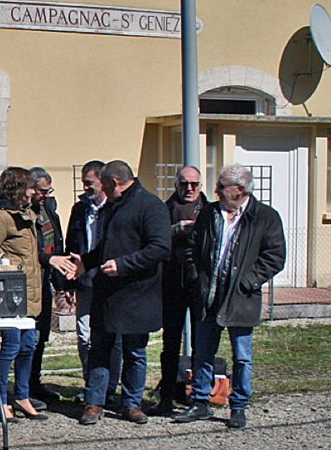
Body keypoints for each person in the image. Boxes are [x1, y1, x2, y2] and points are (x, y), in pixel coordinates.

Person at [172, 164, 285, 429]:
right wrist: (194, 276)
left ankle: (238, 405)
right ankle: (200, 401)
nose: (216, 191)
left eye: (222, 187)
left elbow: (275, 256)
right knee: (202, 351)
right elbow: (192, 245)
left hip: (241, 297)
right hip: (207, 293)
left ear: (240, 190)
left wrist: (249, 281)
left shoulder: (265, 217)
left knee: (242, 355)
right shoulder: (210, 213)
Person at [72, 160, 171, 426]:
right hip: (107, 292)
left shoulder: (151, 206)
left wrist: (123, 265)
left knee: (135, 351)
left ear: (115, 182)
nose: (100, 189)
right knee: (100, 349)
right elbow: (107, 246)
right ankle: (95, 402)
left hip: (137, 293)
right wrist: (86, 261)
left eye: (103, 184)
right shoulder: (113, 207)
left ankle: (131, 403)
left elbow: (160, 248)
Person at [0, 167, 70, 421]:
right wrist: (10, 268)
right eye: (30, 187)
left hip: (32, 292)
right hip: (10, 295)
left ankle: (22, 395)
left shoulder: (29, 215)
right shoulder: (1, 218)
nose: (33, 192)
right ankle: (2, 399)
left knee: (29, 346)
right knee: (11, 347)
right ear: (18, 189)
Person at [150, 166, 209, 415]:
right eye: (184, 184)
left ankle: (199, 397)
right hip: (171, 282)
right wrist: (176, 230)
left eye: (194, 184)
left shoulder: (210, 210)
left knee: (201, 342)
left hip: (199, 283)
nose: (189, 189)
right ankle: (166, 396)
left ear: (201, 185)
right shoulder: (164, 210)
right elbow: (155, 239)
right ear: (176, 185)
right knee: (170, 343)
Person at [64, 160, 123, 404]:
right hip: (84, 282)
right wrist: (68, 283)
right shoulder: (80, 209)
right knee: (85, 336)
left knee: (113, 337)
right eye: (84, 184)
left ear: (103, 182)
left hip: (108, 280)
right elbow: (71, 244)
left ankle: (109, 389)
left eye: (89, 183)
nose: (85, 188)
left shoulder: (115, 208)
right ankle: (92, 387)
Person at [27, 167, 66, 407]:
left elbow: (57, 244)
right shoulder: (23, 212)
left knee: (41, 337)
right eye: (43, 190)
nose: (45, 194)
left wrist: (62, 284)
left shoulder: (49, 210)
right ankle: (23, 389)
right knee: (28, 338)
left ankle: (34, 383)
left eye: (48, 190)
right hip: (31, 280)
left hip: (47, 279)